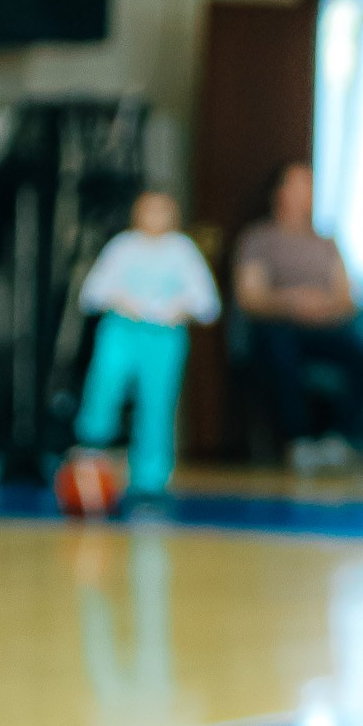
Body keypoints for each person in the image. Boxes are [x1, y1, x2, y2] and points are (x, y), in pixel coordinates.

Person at [74, 189, 219, 503]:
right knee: (104, 385)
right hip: (122, 330)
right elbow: (93, 293)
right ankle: (91, 449)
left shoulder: (182, 250)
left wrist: (178, 307)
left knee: (156, 403)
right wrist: (125, 302)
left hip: (163, 338)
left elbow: (207, 303)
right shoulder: (123, 247)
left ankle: (149, 480)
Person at [233, 161, 363, 470]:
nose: (307, 193)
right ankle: (297, 441)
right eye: (299, 184)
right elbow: (249, 297)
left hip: (323, 328)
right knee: (281, 351)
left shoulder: (326, 243)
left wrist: (322, 306)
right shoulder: (259, 239)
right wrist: (290, 302)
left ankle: (338, 439)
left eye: (310, 186)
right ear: (280, 192)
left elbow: (347, 298)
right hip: (277, 328)